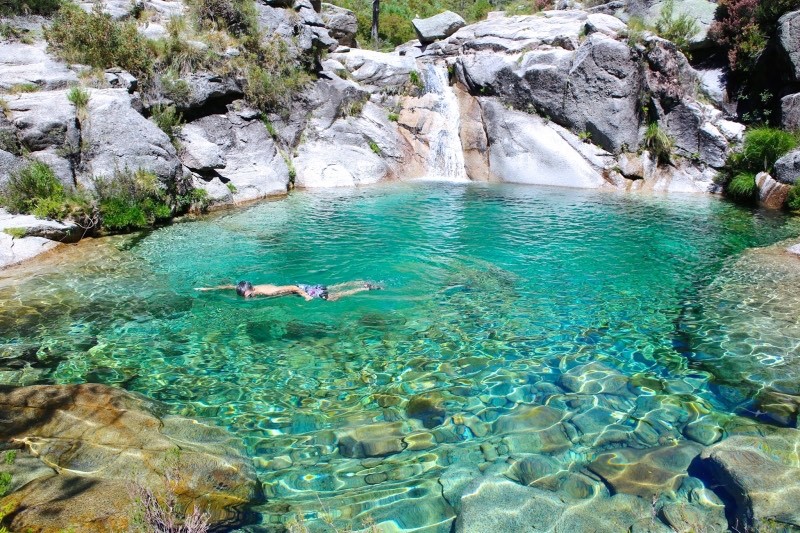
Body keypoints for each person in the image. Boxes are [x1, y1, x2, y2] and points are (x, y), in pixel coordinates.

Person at [194, 280, 381, 301]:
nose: (247, 297)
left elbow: (291, 287)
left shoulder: (267, 292)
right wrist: (208, 289)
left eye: (247, 295)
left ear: (250, 290)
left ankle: (362, 289)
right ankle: (358, 282)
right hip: (302, 286)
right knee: (328, 288)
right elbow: (228, 286)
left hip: (300, 289)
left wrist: (306, 296)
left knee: (332, 297)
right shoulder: (256, 287)